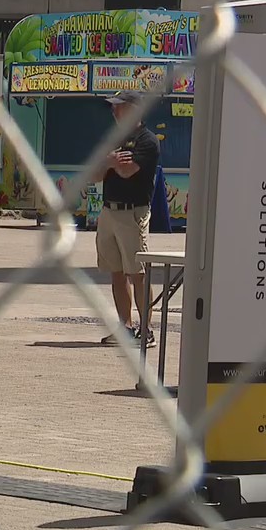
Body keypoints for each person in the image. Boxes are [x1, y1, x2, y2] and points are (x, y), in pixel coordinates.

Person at [95, 90, 160, 347]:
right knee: (116, 272)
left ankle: (147, 330)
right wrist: (109, 162)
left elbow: (127, 171)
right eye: (113, 107)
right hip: (109, 211)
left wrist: (110, 163)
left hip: (132, 212)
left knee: (138, 273)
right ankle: (125, 327)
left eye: (119, 107)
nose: (114, 111)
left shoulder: (147, 140)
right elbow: (94, 174)